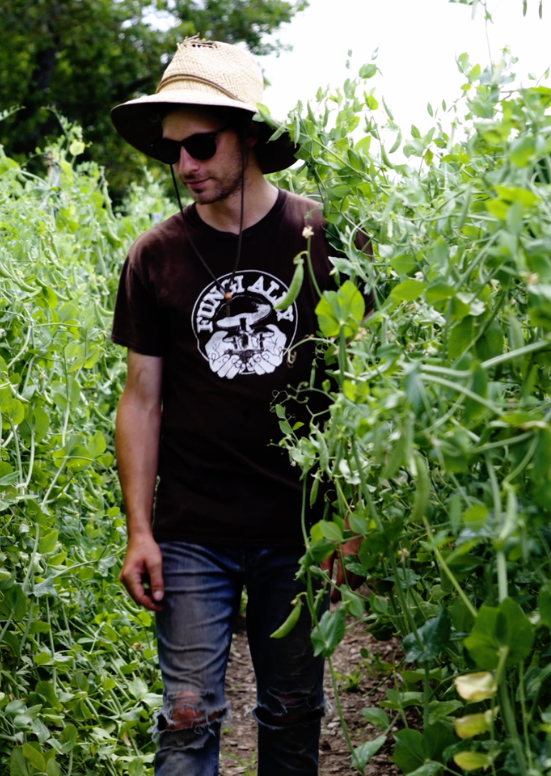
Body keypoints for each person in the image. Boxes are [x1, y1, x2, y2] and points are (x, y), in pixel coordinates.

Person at [108, 38, 362, 774]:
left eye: (201, 144)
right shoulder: (154, 256)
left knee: (292, 716)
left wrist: (347, 517)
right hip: (192, 535)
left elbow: (361, 389)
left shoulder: (326, 238)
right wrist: (140, 530)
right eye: (173, 152)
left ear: (248, 135)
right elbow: (142, 400)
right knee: (187, 723)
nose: (186, 166)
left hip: (299, 531)